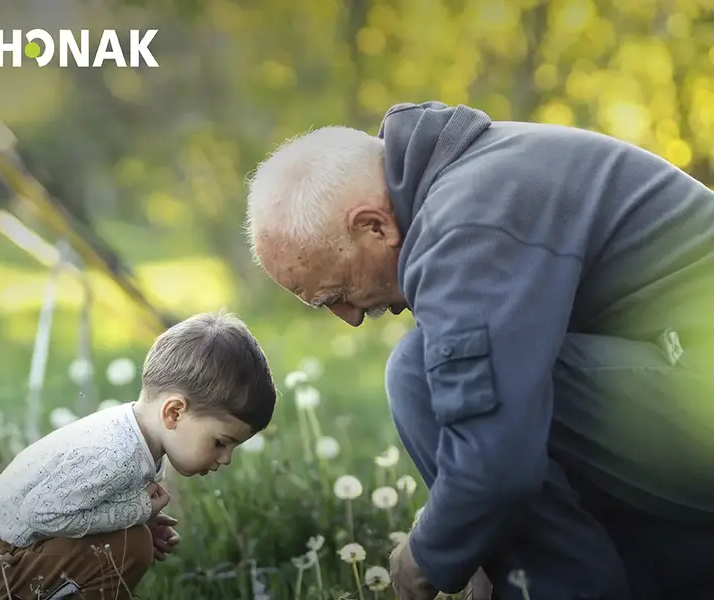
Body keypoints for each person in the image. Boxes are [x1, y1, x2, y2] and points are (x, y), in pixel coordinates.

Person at [244, 100, 714, 599]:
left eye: (335, 295)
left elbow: (496, 464)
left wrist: (424, 557)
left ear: (373, 226)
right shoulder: (469, 184)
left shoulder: (466, 223)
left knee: (418, 374)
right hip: (680, 390)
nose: (351, 317)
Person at [0, 311, 277, 600]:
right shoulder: (117, 454)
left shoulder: (134, 434)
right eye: (221, 442)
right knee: (133, 546)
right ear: (174, 412)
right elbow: (43, 513)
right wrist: (136, 513)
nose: (226, 459)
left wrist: (137, 521)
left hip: (13, 549)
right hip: (0, 565)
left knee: (133, 540)